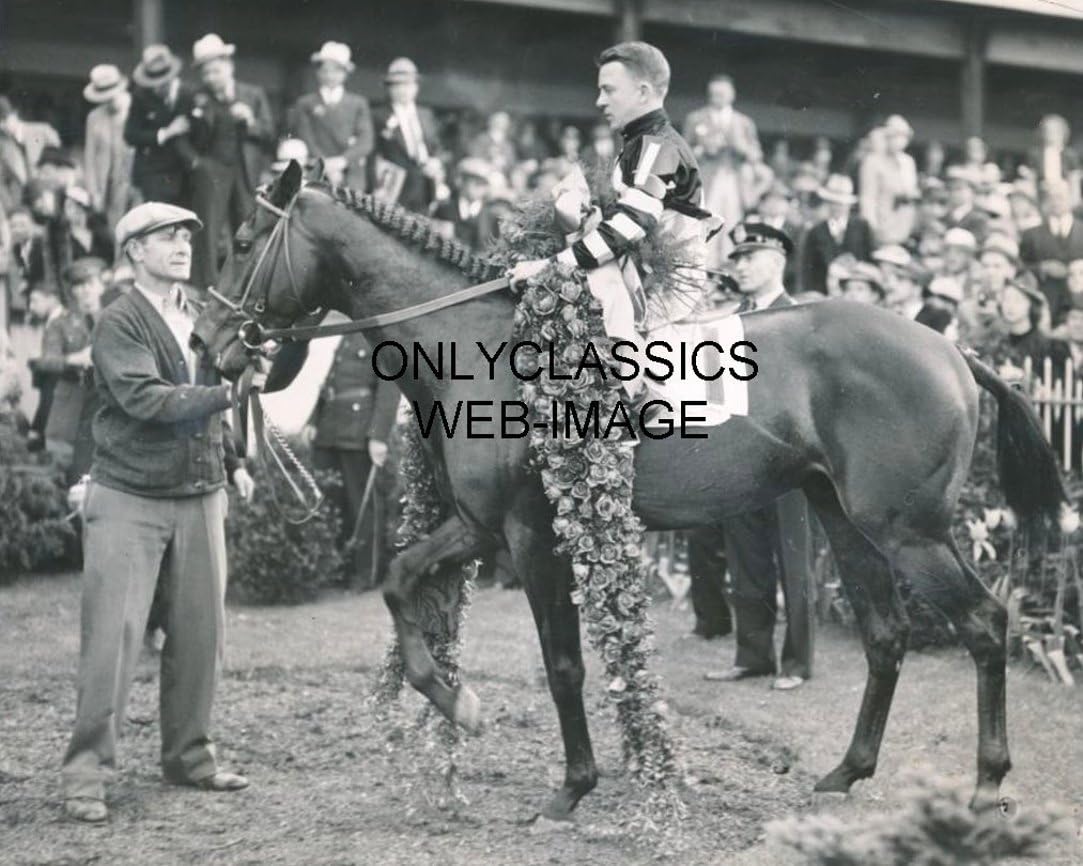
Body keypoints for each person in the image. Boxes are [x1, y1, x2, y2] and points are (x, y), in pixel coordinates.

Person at [60, 202, 258, 824]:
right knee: (113, 640)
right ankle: (86, 776)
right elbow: (146, 399)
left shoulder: (200, 313)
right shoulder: (118, 321)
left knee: (202, 634)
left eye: (184, 237)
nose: (180, 246)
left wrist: (233, 460)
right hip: (128, 496)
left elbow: (214, 409)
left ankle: (191, 757)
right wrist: (227, 392)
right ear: (133, 252)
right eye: (164, 237)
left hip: (199, 493)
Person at [509, 41, 715, 403]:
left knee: (579, 290)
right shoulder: (639, 142)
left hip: (662, 284)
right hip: (637, 269)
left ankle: (639, 396)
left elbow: (629, 225)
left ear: (643, 91)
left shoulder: (656, 145)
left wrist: (548, 265)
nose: (599, 101)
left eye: (608, 90)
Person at [705, 221, 814, 690]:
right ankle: (753, 655)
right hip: (742, 457)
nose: (740, 266)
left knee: (794, 559)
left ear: (778, 261)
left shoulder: (801, 318)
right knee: (744, 556)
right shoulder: (731, 320)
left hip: (791, 459)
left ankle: (797, 662)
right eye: (737, 258)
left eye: (750, 257)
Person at [304, 333, 399, 589]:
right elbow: (330, 382)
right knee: (331, 502)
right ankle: (337, 570)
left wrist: (379, 435)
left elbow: (390, 387)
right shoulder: (348, 335)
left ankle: (366, 573)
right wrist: (314, 419)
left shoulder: (381, 335)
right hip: (330, 429)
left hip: (359, 431)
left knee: (363, 505)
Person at [188, 33, 275, 290]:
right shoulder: (198, 98)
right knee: (209, 229)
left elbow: (270, 133)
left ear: (229, 67)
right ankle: (206, 285)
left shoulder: (253, 94)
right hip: (213, 167)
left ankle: (248, 283)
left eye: (215, 71)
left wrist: (250, 121)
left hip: (245, 169)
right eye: (205, 73)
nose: (210, 78)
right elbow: (191, 137)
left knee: (246, 225)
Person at [683, 74, 762, 267]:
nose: (718, 97)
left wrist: (741, 147)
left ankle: (729, 272)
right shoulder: (696, 119)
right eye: (714, 94)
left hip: (734, 180)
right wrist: (703, 150)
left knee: (732, 224)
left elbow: (756, 154)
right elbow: (684, 153)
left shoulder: (743, 122)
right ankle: (705, 270)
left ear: (732, 95)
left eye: (722, 93)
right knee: (707, 223)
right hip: (708, 179)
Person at [286, 41, 373, 189]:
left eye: (336, 70)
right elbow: (306, 137)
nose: (330, 75)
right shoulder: (305, 103)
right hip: (316, 171)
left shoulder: (358, 103)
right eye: (325, 70)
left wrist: (342, 161)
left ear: (345, 73)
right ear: (318, 72)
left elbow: (365, 140)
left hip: (350, 172)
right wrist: (325, 166)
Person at [125, 44, 199, 206]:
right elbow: (130, 135)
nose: (157, 88)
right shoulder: (140, 96)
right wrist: (166, 133)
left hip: (184, 173)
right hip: (154, 173)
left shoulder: (190, 95)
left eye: (162, 83)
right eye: (152, 83)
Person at [369, 57, 442, 213]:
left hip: (424, 184)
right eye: (397, 85)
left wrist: (436, 162)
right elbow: (372, 154)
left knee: (419, 230)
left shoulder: (426, 114)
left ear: (416, 87)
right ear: (389, 88)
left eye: (408, 84)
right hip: (394, 186)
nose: (403, 90)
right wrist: (376, 186)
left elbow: (435, 147)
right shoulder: (379, 116)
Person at [1019, 179, 1083, 329]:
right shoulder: (1031, 235)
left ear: (1072, 198)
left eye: (1061, 196)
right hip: (1045, 307)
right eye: (1051, 197)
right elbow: (1020, 267)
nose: (1056, 202)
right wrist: (1042, 268)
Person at [800, 173, 874, 296]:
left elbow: (869, 258)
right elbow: (808, 271)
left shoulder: (861, 227)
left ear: (849, 205)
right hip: (824, 295)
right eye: (833, 202)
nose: (837, 207)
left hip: (857, 293)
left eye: (841, 203)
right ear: (827, 203)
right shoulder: (816, 232)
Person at [83, 64, 135, 231]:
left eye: (113, 95)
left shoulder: (135, 108)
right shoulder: (94, 117)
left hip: (133, 179)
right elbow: (89, 156)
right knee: (115, 230)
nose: (110, 100)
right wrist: (93, 191)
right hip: (108, 183)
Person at [859, 114, 919, 245]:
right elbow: (868, 197)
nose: (899, 140)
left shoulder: (908, 162)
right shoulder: (873, 161)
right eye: (895, 136)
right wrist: (871, 226)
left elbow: (911, 190)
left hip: (904, 220)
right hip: (882, 221)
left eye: (903, 136)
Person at [0, 95, 61, 213]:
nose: (2, 126)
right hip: (19, 203)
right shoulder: (3, 144)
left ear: (14, 114)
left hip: (49, 197)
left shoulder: (44, 131)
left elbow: (61, 164)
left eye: (4, 119)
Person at [431, 157, 492, 249]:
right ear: (460, 181)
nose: (479, 187)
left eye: (483, 183)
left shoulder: (488, 218)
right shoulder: (445, 207)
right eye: (475, 181)